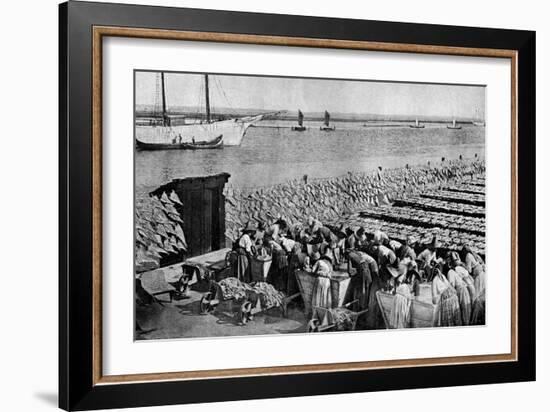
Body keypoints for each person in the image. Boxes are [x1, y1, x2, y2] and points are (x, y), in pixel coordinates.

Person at [446, 252, 472, 325]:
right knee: (465, 308)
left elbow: (452, 285)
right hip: (464, 289)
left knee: (463, 308)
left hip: (461, 291)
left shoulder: (453, 271)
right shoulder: (457, 269)